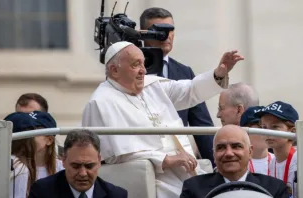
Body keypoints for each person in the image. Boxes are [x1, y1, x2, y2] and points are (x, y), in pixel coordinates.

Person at [82, 41, 244, 197]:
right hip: (154, 176)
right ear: (114, 70)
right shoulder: (100, 102)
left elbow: (190, 91)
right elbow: (114, 155)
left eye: (143, 64)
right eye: (135, 65)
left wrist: (219, 73)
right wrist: (165, 160)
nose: (143, 71)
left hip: (186, 168)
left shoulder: (152, 85)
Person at [139, 7, 215, 163]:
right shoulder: (130, 70)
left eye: (170, 29)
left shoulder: (184, 72)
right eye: (159, 30)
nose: (166, 35)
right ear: (143, 33)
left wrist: (217, 167)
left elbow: (201, 126)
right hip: (145, 158)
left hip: (181, 160)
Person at [180, 125, 289, 198]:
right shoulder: (193, 188)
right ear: (214, 155)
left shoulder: (274, 189)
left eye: (236, 146)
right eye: (221, 147)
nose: (229, 153)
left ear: (250, 151)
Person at [28, 130, 128, 198]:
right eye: (75, 166)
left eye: (89, 166)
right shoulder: (42, 192)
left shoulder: (116, 195)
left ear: (99, 161)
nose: (83, 173)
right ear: (63, 160)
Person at [5, 111, 64, 198]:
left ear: (49, 140)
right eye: (27, 130)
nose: (28, 135)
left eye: (34, 131)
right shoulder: (17, 166)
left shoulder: (61, 168)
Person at [256, 101, 298, 196]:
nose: (268, 132)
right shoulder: (272, 163)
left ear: (292, 131)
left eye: (274, 127)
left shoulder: (299, 160)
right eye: (264, 127)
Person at [240, 106, 275, 175]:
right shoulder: (236, 163)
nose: (267, 131)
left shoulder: (279, 161)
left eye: (267, 126)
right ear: (245, 132)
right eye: (260, 126)